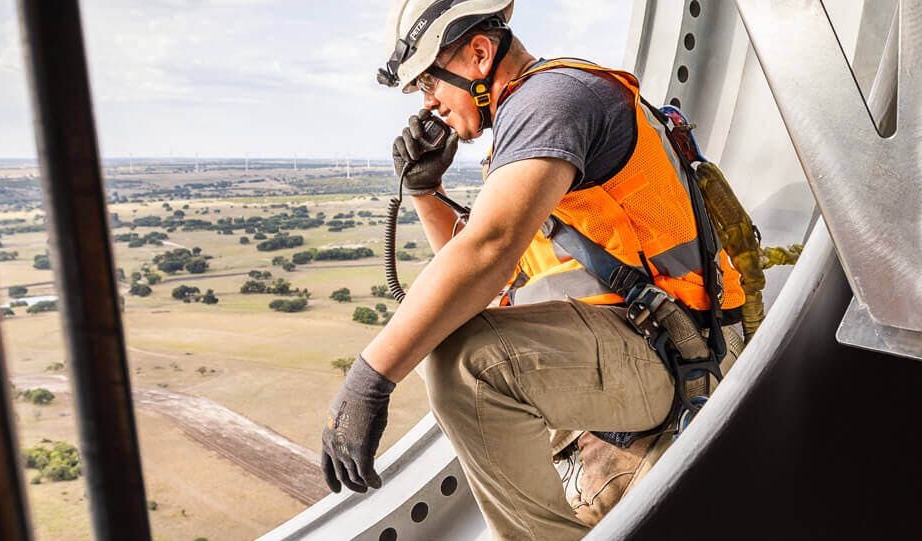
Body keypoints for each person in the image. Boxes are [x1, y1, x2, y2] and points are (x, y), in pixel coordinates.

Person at [320, 1, 747, 539]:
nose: (429, 103)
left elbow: (488, 252)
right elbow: (482, 284)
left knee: (465, 365)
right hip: (652, 341)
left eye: (430, 81)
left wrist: (367, 382)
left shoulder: (551, 102)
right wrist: (428, 194)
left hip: (682, 349)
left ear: (478, 54)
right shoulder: (536, 126)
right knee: (465, 343)